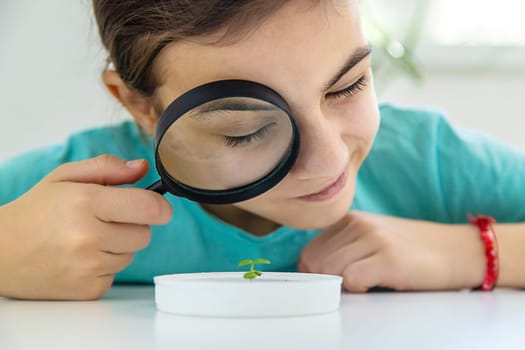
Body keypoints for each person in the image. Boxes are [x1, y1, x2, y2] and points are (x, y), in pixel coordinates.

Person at [1, 0, 524, 301]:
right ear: (140, 105)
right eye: (245, 130)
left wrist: (469, 253)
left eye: (347, 86)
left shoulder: (427, 159)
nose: (326, 163)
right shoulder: (73, 194)